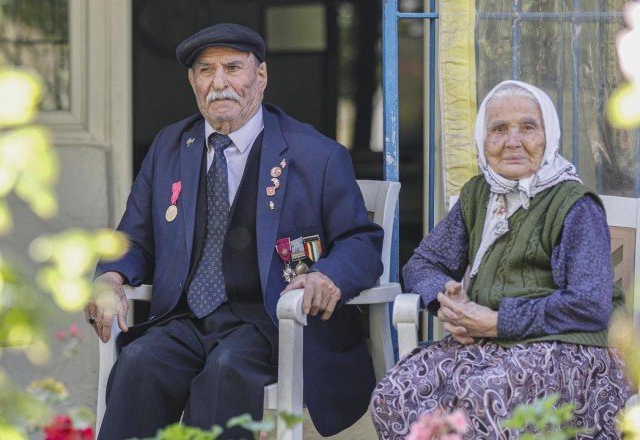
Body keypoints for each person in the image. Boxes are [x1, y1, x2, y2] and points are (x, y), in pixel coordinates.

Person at [87, 23, 384, 439]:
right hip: (186, 316)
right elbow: (134, 238)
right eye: (206, 71)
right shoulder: (170, 147)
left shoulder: (316, 154)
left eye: (233, 67)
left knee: (226, 372)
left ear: (259, 77)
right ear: (192, 81)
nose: (219, 82)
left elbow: (360, 240)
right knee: (139, 361)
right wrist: (111, 276)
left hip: (269, 322)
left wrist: (326, 275)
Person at [371, 80, 632, 439]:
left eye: (527, 127)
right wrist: (448, 300)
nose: (513, 141)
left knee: (482, 398)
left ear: (548, 136)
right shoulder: (479, 193)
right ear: (483, 140)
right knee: (394, 394)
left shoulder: (575, 204)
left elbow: (590, 305)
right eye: (498, 129)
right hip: (488, 344)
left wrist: (496, 322)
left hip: (569, 348)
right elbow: (421, 264)